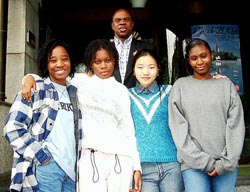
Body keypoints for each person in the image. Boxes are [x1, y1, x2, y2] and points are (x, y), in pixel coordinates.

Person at [21, 39, 142, 192]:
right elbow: (54, 74)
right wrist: (29, 78)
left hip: (121, 160)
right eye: (97, 61)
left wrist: (136, 167)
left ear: (115, 61)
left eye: (108, 60)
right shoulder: (79, 82)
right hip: (89, 159)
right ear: (90, 63)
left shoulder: (122, 90)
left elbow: (128, 130)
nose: (103, 66)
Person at [4, 39, 82, 192]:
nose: (60, 64)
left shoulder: (75, 92)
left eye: (64, 59)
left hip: (72, 172)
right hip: (47, 168)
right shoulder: (36, 89)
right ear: (45, 64)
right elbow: (12, 128)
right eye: (53, 60)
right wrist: (41, 156)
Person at [168, 38, 245, 192]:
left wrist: (226, 162)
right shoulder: (180, 87)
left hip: (226, 163)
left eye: (203, 56)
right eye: (194, 58)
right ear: (188, 61)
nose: (200, 61)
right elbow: (179, 130)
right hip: (193, 165)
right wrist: (205, 162)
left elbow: (236, 125)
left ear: (211, 55)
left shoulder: (226, 85)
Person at [128, 49, 183, 192]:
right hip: (142, 167)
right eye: (140, 67)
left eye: (151, 67)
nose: (145, 72)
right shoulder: (126, 95)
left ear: (158, 70)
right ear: (133, 71)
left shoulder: (171, 91)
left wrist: (216, 80)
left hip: (172, 164)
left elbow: (196, 95)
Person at [111, 8, 152, 88]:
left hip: (138, 95)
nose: (122, 23)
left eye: (126, 20)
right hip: (111, 96)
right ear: (112, 26)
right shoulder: (105, 49)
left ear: (132, 24)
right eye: (118, 20)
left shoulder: (146, 47)